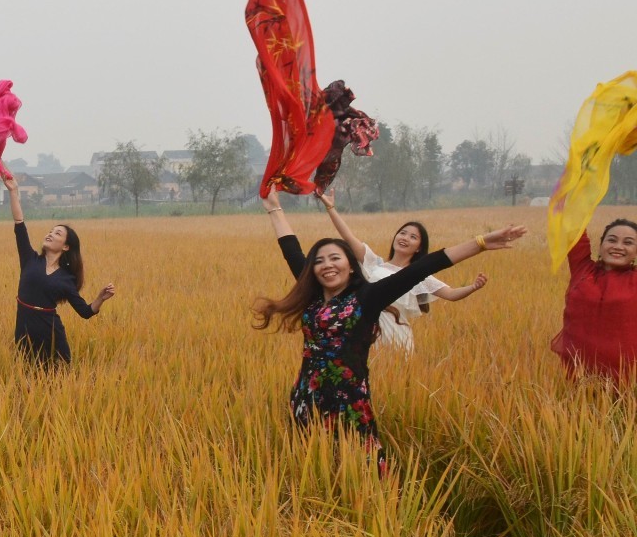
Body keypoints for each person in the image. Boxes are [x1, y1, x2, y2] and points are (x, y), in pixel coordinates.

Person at [255, 193, 525, 471]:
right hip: (306, 395)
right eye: (320, 261)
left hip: (348, 400)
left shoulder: (366, 297)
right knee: (312, 466)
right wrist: (274, 207)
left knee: (364, 469)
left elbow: (425, 266)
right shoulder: (312, 298)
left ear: (350, 267)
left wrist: (480, 243)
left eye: (335, 258)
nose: (327, 265)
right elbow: (291, 250)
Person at [317, 190, 489, 351]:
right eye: (403, 233)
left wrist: (473, 287)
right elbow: (348, 236)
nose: (405, 238)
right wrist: (330, 207)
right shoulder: (374, 264)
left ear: (418, 248)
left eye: (413, 237)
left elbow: (451, 294)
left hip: (396, 334)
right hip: (364, 331)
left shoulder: (417, 276)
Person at [2, 172, 114, 365]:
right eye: (51, 231)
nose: (50, 234)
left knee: (57, 384)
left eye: (57, 233)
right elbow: (19, 223)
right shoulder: (30, 259)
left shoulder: (66, 279)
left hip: (51, 336)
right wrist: (13, 191)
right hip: (24, 332)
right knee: (26, 382)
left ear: (66, 246)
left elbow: (86, 312)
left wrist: (100, 298)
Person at [550, 217, 637, 381]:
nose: (618, 247)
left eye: (628, 242)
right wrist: (573, 193)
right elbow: (573, 226)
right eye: (612, 240)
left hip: (626, 378)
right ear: (601, 245)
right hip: (577, 374)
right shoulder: (582, 269)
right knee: (574, 405)